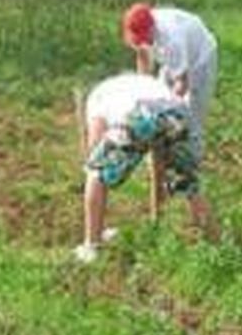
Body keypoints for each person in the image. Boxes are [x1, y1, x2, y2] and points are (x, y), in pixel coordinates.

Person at [77, 72, 216, 263]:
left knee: (95, 174)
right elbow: (157, 157)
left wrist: (95, 168)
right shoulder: (140, 84)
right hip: (178, 113)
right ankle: (215, 242)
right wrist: (156, 214)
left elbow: (95, 149)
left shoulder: (95, 100)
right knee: (186, 184)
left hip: (142, 112)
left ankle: (92, 245)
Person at [121, 2, 218, 158]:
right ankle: (166, 150)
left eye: (144, 38)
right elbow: (142, 55)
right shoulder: (141, 28)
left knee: (192, 115)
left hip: (200, 58)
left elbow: (182, 83)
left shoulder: (172, 39)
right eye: (138, 39)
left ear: (152, 29)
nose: (142, 42)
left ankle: (192, 159)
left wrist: (163, 109)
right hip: (173, 57)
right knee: (159, 94)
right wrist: (142, 90)